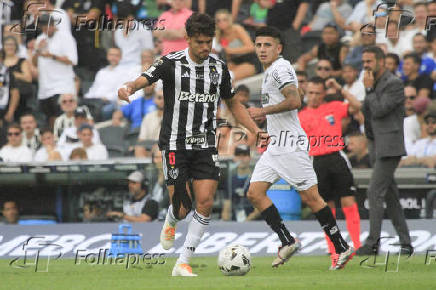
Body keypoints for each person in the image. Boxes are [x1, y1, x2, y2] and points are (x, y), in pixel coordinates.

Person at [118, 13, 263, 277]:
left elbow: (233, 104)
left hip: (206, 144)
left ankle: (182, 262)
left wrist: (254, 130)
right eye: (199, 42)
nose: (205, 47)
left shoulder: (219, 68)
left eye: (209, 41)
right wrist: (129, 87)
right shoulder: (170, 63)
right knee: (182, 208)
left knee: (205, 202)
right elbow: (144, 79)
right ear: (187, 39)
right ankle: (172, 219)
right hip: (175, 144)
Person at [246, 26, 354, 270]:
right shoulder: (271, 71)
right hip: (276, 145)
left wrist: (263, 111)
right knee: (254, 193)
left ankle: (341, 247)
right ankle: (287, 240)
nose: (262, 49)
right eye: (259, 45)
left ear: (279, 48)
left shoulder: (281, 69)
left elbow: (296, 100)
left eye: (267, 45)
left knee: (311, 198)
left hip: (291, 145)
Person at [298, 76, 361, 269]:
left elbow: (357, 106)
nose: (314, 96)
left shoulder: (334, 106)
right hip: (316, 161)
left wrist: (340, 88)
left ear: (324, 93)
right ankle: (334, 249)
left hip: (336, 158)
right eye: (310, 93)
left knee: (348, 200)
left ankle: (357, 246)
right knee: (326, 206)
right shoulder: (300, 116)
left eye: (318, 93)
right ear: (306, 93)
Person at [358, 46, 413, 256]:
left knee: (374, 192)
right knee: (390, 196)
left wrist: (370, 90)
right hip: (375, 144)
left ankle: (373, 243)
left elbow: (380, 110)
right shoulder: (374, 83)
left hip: (389, 146)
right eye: (364, 62)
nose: (365, 65)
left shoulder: (394, 84)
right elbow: (368, 111)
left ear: (381, 61)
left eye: (369, 61)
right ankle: (406, 242)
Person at [32, 14, 77, 129]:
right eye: (42, 27)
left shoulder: (65, 37)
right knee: (50, 119)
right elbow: (34, 63)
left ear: (53, 25)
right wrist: (37, 50)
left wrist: (52, 56)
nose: (45, 29)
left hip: (62, 86)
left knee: (63, 117)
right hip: (45, 87)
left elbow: (72, 60)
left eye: (47, 26)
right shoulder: (40, 38)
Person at [214, 9, 256, 81]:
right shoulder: (218, 35)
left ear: (229, 20)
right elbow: (226, 57)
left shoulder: (237, 29)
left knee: (230, 75)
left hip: (248, 60)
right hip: (233, 62)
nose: (222, 22)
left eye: (224, 20)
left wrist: (230, 51)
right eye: (219, 20)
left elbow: (251, 47)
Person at [221, 144, 258, 222]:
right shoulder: (230, 180)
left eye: (245, 155)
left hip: (253, 224)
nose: (241, 159)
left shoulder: (256, 179)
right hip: (235, 223)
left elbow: (258, 210)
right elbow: (226, 207)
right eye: (238, 155)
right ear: (234, 158)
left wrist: (244, 223)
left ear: (250, 158)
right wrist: (225, 221)